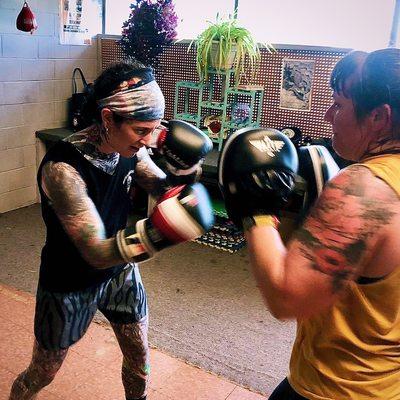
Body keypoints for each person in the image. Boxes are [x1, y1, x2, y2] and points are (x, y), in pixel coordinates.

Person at [9, 60, 214, 400]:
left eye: (154, 129)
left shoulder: (130, 149)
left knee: (139, 356)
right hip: (70, 282)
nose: (149, 141)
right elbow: (95, 252)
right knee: (43, 372)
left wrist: (187, 172)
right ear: (107, 118)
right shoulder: (63, 170)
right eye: (140, 131)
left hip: (121, 273)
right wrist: (158, 234)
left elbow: (162, 189)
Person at [219, 47, 400, 399]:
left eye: (340, 105)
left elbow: (286, 296)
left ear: (379, 117)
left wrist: (255, 209)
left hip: (336, 388)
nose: (329, 115)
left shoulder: (364, 189)